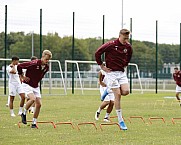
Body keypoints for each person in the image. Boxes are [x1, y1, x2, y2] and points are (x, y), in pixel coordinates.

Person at [95, 29, 133, 130]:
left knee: (125, 91)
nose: (126, 40)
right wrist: (102, 66)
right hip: (111, 73)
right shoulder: (111, 44)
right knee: (118, 95)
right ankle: (121, 121)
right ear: (119, 36)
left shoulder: (128, 46)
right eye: (124, 38)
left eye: (127, 38)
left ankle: (108, 90)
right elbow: (98, 53)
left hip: (121, 73)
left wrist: (125, 64)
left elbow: (129, 55)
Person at [17, 50, 52, 128]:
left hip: (35, 86)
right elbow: (19, 66)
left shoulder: (46, 67)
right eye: (46, 59)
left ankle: (34, 123)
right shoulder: (34, 63)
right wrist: (22, 76)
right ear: (42, 57)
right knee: (32, 99)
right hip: (27, 85)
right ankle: (24, 113)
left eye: (48, 60)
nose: (47, 61)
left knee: (39, 104)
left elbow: (40, 75)